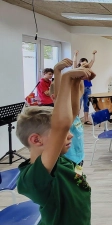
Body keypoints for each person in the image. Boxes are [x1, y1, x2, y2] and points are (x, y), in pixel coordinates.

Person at [16, 58, 95, 225]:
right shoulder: (34, 179)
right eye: (63, 133)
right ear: (36, 140)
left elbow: (72, 111)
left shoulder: (61, 159)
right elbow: (63, 124)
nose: (70, 135)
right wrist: (65, 77)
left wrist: (75, 81)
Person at [73, 50, 97, 125]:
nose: (84, 63)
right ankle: (76, 121)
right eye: (82, 62)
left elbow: (92, 61)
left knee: (86, 104)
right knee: (78, 105)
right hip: (79, 89)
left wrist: (93, 54)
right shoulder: (77, 70)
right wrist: (75, 55)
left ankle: (86, 119)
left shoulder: (88, 69)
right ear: (80, 63)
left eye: (85, 62)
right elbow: (74, 63)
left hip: (87, 88)